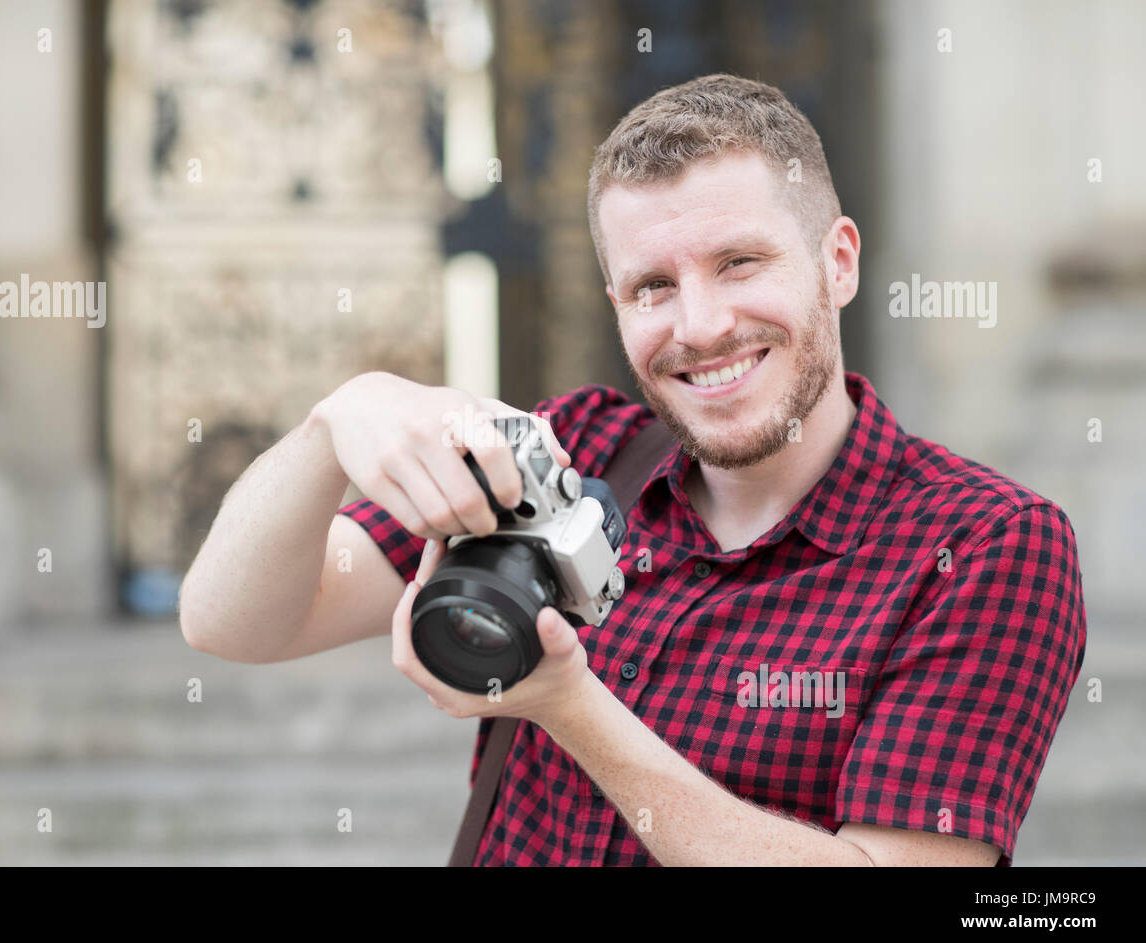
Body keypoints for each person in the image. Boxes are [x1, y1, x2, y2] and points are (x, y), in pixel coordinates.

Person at [179, 74, 1086, 867]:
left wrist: (568, 703)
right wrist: (335, 419)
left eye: (739, 263)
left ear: (836, 262)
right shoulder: (565, 450)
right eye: (653, 286)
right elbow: (232, 621)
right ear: (616, 304)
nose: (699, 325)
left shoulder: (985, 544)